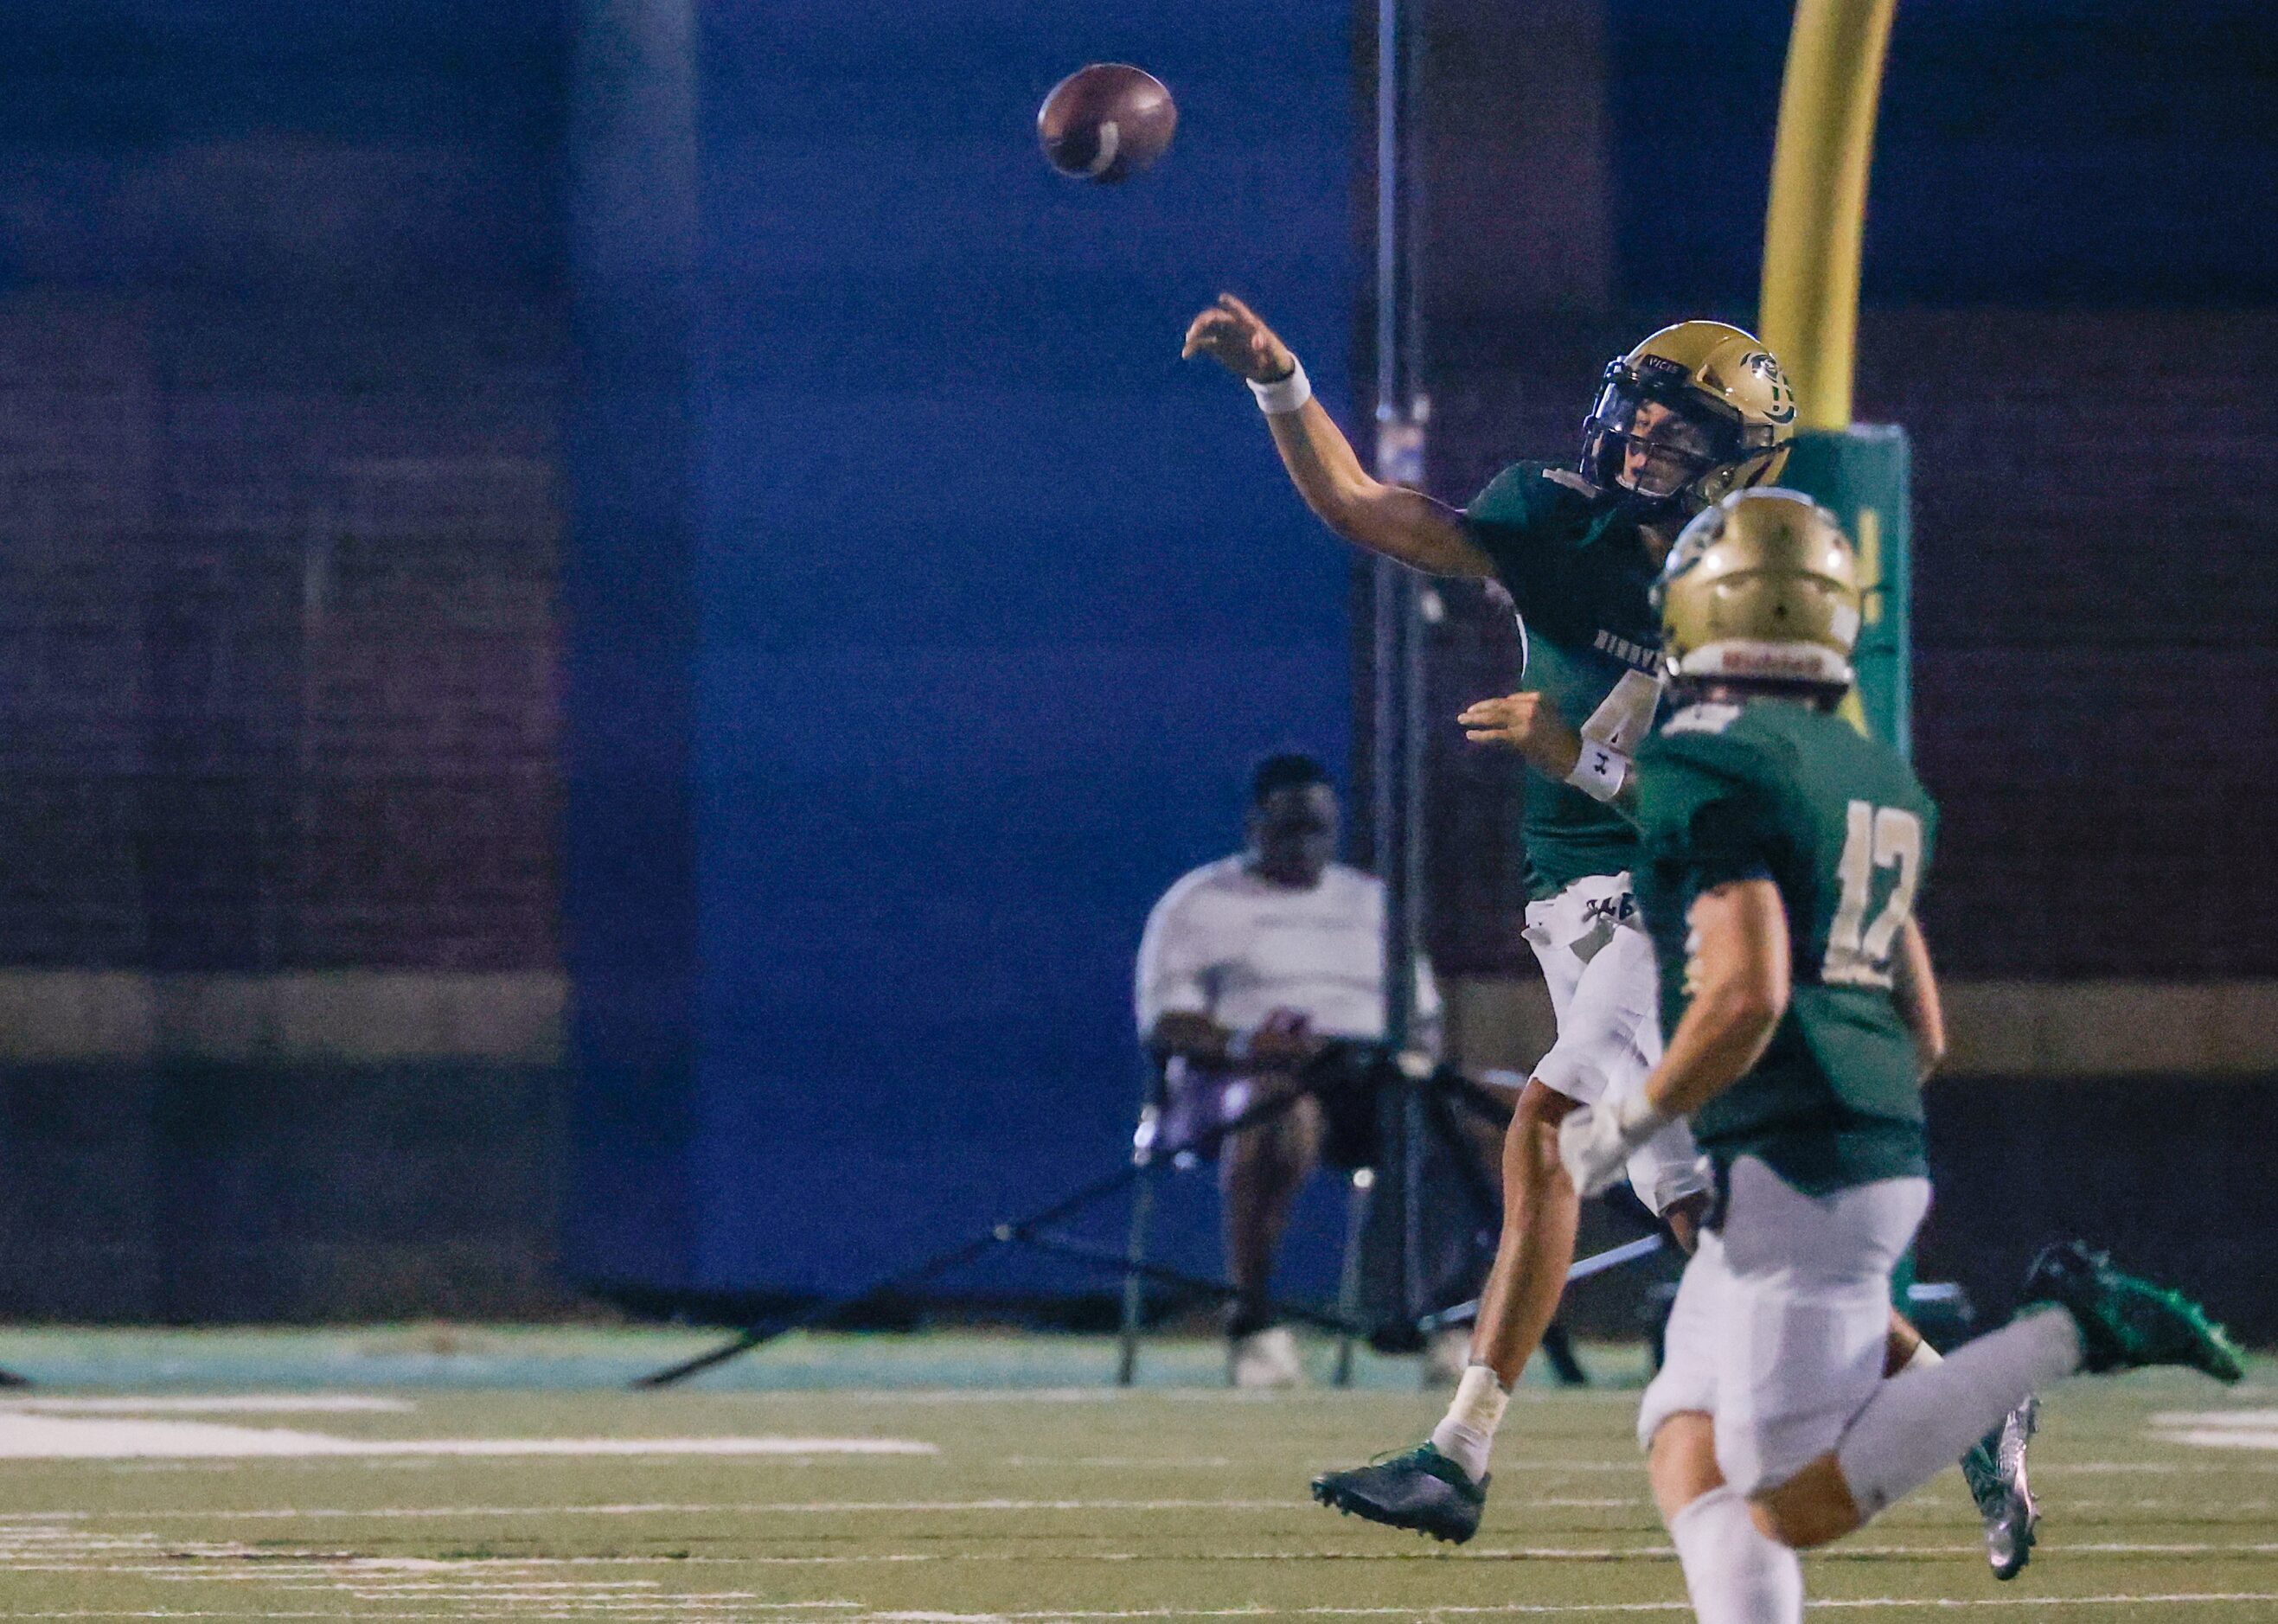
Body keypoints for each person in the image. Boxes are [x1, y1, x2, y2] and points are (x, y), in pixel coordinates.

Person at [1185, 297, 2034, 1575]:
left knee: (1546, 1124)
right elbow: (1367, 506)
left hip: (1677, 892)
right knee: (1716, 1230)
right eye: (1636, 401)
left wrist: (1569, 752)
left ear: (1737, 461)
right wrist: (1278, 379)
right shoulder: (1552, 520)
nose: (1639, 432)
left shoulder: (1749, 598)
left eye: (1677, 422)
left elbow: (1739, 807)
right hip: (1574, 904)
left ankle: (1458, 1452)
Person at [1546, 488, 2240, 1623]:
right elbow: (1922, 1024)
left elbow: (1747, 990)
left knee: (1778, 1500)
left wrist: (1629, 1123)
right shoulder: (1865, 772)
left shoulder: (1707, 765)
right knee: (1680, 1433)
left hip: (1792, 1163)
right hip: (1833, 1147)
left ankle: (2066, 1328)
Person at [1136, 752, 1452, 1388]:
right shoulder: (1197, 903)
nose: (1306, 845)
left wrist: (1417, 1058)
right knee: (1283, 1112)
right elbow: (1166, 1025)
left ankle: (1451, 1316)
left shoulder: (1371, 902)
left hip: (1367, 1079)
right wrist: (1256, 1041)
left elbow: (1424, 1018)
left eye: (1320, 830)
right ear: (1255, 826)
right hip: (1241, 1083)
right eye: (1289, 830)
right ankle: (1253, 1321)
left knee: (1484, 1131)